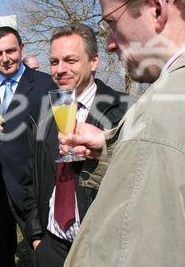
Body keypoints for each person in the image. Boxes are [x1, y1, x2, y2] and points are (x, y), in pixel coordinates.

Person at [58, 0, 185, 266]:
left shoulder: (159, 117)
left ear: (156, 6)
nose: (110, 43)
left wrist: (141, 143)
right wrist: (115, 148)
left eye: (112, 22)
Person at [23, 23, 132, 267]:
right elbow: (33, 180)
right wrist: (37, 237)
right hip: (51, 247)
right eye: (54, 62)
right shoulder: (43, 113)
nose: (60, 70)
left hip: (99, 251)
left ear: (94, 62)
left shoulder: (124, 110)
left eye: (70, 60)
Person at [0, 26, 54, 267]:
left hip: (32, 183)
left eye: (11, 50)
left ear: (22, 49)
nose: (5, 58)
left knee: (42, 251)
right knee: (0, 252)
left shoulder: (45, 84)